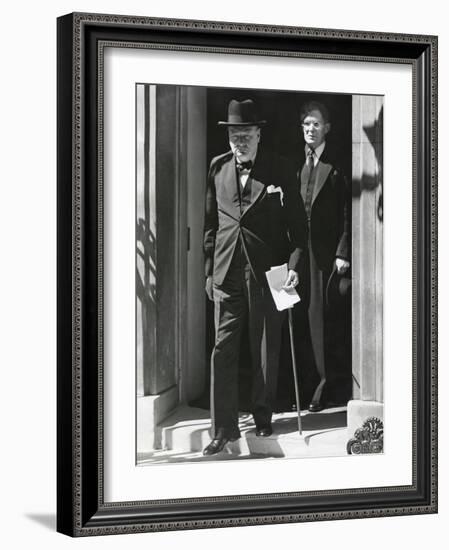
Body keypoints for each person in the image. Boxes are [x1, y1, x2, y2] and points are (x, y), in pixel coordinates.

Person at [203, 99, 308, 455]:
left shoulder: (281, 169)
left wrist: (293, 266)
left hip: (270, 271)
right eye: (234, 134)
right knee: (222, 349)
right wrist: (208, 271)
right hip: (226, 270)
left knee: (266, 349)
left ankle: (263, 416)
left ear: (259, 134)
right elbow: (211, 226)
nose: (240, 141)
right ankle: (223, 429)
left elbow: (299, 228)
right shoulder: (217, 169)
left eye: (246, 134)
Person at [296, 100, 350, 412]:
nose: (311, 129)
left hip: (326, 256)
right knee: (299, 319)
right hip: (298, 256)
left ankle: (324, 390)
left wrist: (344, 251)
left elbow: (348, 211)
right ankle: (302, 389)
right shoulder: (297, 163)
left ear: (326, 127)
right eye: (306, 124)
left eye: (316, 124)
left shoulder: (338, 163)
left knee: (322, 322)